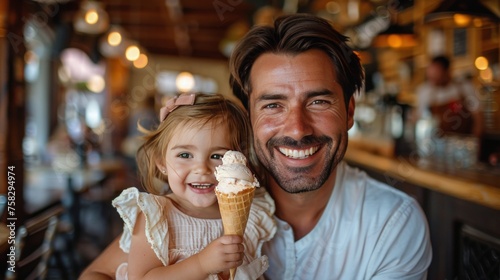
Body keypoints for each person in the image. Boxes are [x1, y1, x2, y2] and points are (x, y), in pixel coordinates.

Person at [80, 14, 432, 279]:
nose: (297, 129)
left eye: (319, 102)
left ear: (349, 111)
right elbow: (95, 275)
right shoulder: (195, 207)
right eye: (273, 105)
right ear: (249, 117)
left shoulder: (392, 224)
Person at [89, 93, 276, 280]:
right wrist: (201, 264)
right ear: (161, 162)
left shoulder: (251, 214)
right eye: (185, 155)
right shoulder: (156, 218)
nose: (202, 169)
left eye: (218, 156)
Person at [415, 55, 482, 137]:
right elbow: (420, 119)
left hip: (462, 144)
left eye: (436, 73)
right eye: (430, 73)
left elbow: (478, 117)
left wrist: (476, 141)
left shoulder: (465, 88)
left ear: (447, 71)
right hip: (436, 144)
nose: (432, 77)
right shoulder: (424, 91)